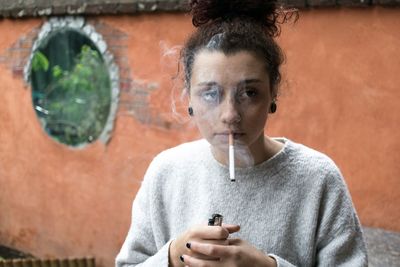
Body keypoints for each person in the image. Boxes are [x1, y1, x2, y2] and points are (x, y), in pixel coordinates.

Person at [116, 0, 368, 266]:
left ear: (273, 93)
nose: (230, 115)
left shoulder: (318, 178)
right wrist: (171, 257)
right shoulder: (166, 172)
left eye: (249, 93)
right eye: (210, 93)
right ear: (189, 98)